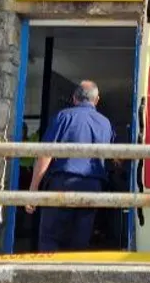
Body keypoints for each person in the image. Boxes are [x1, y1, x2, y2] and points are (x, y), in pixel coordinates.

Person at [25, 81, 112, 252]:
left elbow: (45, 154)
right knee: (80, 240)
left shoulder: (63, 117)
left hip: (62, 183)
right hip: (92, 186)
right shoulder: (105, 123)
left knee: (51, 238)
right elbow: (111, 157)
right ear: (97, 100)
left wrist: (33, 189)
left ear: (74, 98)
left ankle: (49, 276)